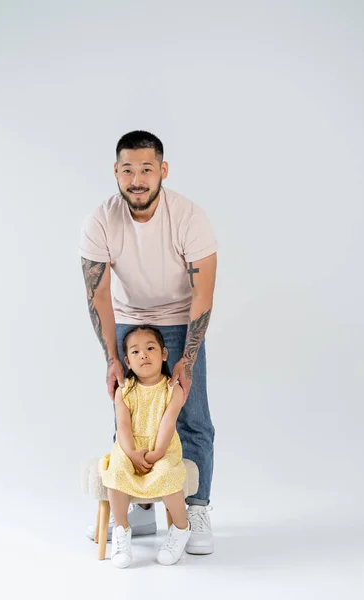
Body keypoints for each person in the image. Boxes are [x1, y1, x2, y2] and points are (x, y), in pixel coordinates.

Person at [79, 130, 217, 555]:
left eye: (146, 169)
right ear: (116, 173)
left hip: (180, 318)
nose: (136, 179)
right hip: (130, 322)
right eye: (127, 170)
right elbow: (97, 294)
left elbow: (203, 294)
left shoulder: (189, 217)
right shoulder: (101, 220)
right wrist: (111, 359)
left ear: (162, 170)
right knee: (130, 414)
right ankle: (138, 507)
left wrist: (187, 359)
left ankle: (194, 508)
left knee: (191, 418)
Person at [102, 324, 191, 567]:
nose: (143, 354)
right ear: (127, 362)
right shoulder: (125, 390)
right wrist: (131, 453)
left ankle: (181, 528)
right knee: (117, 471)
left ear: (163, 354)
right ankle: (122, 529)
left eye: (150, 348)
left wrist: (155, 455)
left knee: (167, 474)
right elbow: (123, 426)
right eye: (135, 351)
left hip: (161, 447)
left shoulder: (172, 390)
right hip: (130, 447)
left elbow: (168, 424)